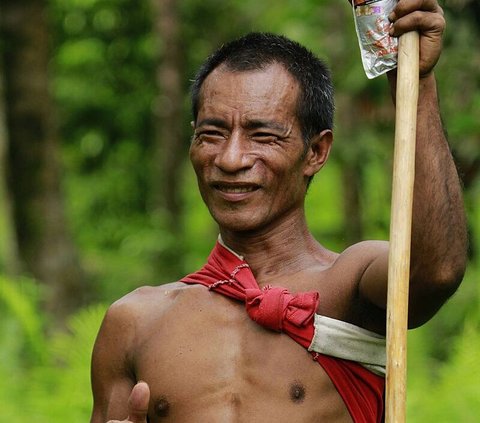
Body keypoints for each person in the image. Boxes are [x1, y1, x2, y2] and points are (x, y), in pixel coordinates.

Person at [90, 1, 468, 422]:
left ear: (316, 152)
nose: (231, 158)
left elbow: (434, 270)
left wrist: (416, 84)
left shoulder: (348, 285)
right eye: (211, 133)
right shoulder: (136, 321)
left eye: (262, 136)